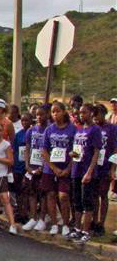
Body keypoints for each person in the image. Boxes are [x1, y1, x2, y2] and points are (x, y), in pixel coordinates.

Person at [67, 104, 102, 244]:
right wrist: (72, 153)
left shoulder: (95, 130)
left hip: (87, 172)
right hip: (76, 169)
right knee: (77, 202)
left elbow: (96, 152)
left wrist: (89, 172)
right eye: (80, 113)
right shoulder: (79, 129)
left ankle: (86, 231)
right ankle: (77, 229)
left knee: (87, 202)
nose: (82, 115)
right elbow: (77, 149)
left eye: (85, 112)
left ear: (91, 113)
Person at [41, 102, 76, 236]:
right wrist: (53, 167)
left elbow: (76, 150)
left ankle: (66, 224)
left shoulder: (72, 129)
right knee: (50, 195)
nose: (55, 114)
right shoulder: (49, 130)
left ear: (64, 111)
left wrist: (68, 168)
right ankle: (55, 224)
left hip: (66, 168)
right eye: (53, 112)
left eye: (58, 111)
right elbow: (44, 150)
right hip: (50, 169)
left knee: (63, 196)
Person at [22, 106, 49, 232]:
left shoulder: (49, 130)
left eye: (42, 114)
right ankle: (32, 218)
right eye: (37, 115)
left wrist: (43, 166)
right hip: (32, 165)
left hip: (45, 167)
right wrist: (27, 165)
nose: (39, 117)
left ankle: (42, 219)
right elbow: (27, 148)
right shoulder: (31, 130)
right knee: (32, 192)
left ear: (47, 115)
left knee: (43, 194)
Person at [92, 104, 116, 236]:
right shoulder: (93, 128)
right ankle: (94, 222)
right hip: (94, 166)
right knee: (94, 195)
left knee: (103, 194)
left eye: (97, 116)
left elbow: (115, 149)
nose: (95, 118)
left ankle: (101, 223)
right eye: (93, 116)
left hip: (105, 166)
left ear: (103, 114)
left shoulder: (112, 128)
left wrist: (112, 168)